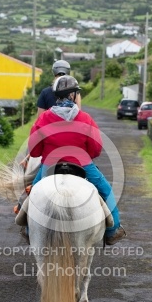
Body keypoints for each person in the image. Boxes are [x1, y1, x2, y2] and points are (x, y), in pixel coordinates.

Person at [28, 75, 126, 245]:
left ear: (56, 95)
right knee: (107, 190)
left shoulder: (43, 119)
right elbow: (96, 149)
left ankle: (29, 230)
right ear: (73, 95)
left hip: (49, 165)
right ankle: (112, 230)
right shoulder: (85, 118)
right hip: (83, 164)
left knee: (31, 195)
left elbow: (34, 151)